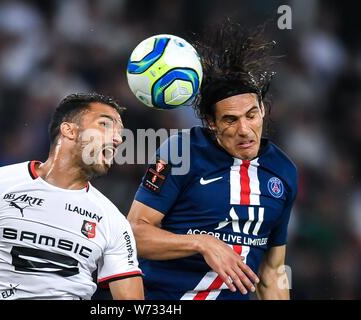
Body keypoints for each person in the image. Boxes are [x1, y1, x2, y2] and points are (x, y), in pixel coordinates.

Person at [127, 21, 298, 300]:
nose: (244, 129)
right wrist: (201, 243)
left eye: (251, 115)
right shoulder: (183, 151)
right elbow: (134, 234)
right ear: (211, 123)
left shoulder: (283, 171)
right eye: (230, 120)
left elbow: (272, 270)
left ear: (263, 110)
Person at [0, 93, 144, 300]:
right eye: (105, 125)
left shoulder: (113, 220)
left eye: (120, 133)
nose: (118, 139)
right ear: (69, 130)